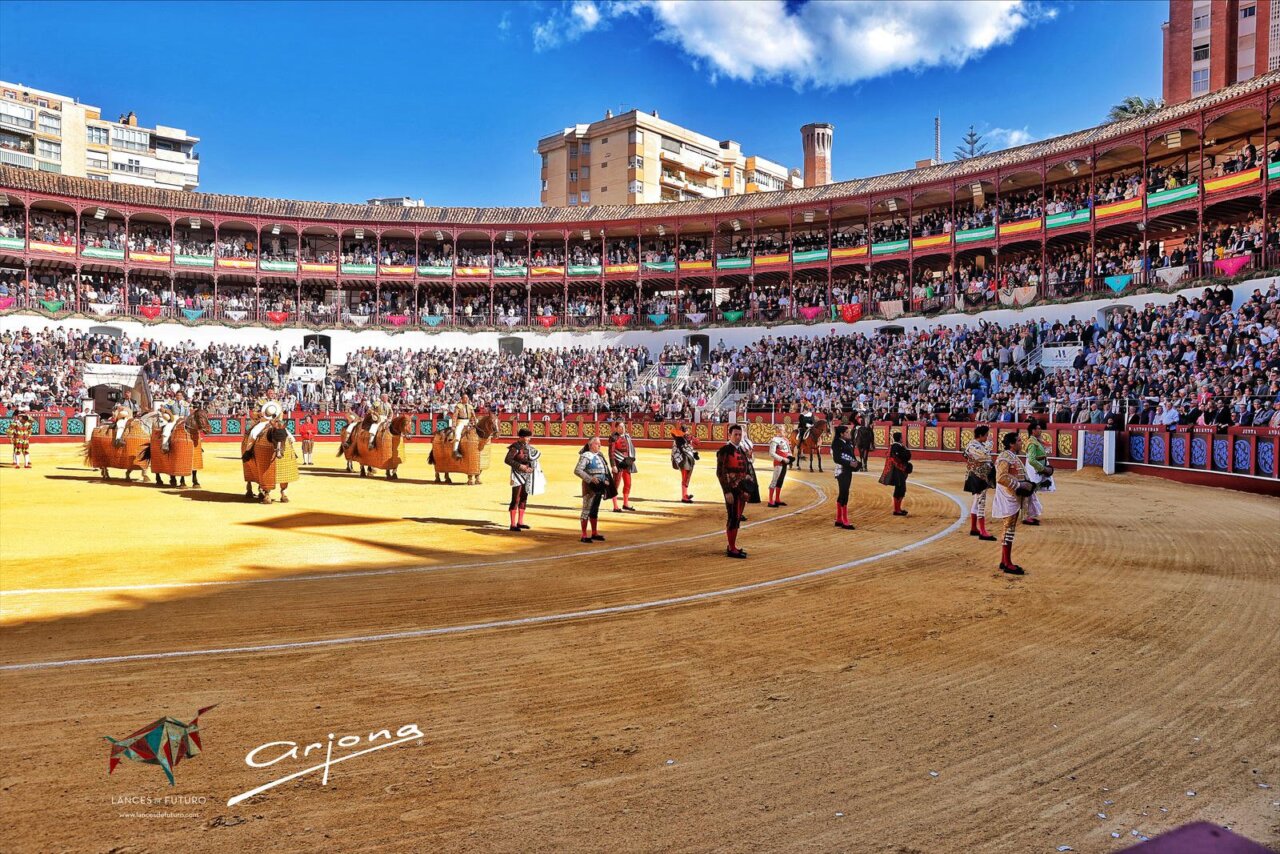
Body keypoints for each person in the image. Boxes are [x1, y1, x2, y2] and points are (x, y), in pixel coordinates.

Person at [991, 431, 1043, 575]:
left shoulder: (1011, 456)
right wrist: (1019, 485)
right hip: (1009, 496)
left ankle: (1004, 561)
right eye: (1019, 441)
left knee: (1009, 528)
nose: (1021, 443)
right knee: (1008, 529)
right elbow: (1001, 477)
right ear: (1012, 444)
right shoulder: (1005, 457)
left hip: (1012, 496)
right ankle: (1007, 563)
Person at [716, 424, 752, 559]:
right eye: (735, 434)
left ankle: (733, 546)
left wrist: (748, 488)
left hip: (741, 489)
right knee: (733, 517)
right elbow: (720, 472)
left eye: (739, 434)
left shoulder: (742, 450)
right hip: (731, 489)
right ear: (729, 435)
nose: (738, 437)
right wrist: (727, 491)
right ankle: (731, 548)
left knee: (737, 517)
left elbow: (746, 470)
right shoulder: (724, 450)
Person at [574, 436, 611, 544]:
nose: (599, 445)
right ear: (590, 445)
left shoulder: (600, 456)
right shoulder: (586, 456)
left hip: (600, 486)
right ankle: (584, 534)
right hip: (589, 487)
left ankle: (594, 533)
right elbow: (577, 470)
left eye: (599, 443)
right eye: (597, 443)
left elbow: (605, 471)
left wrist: (606, 482)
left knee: (595, 509)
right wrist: (590, 479)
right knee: (586, 510)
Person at [963, 425, 997, 541]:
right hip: (978, 476)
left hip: (980, 475)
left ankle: (974, 528)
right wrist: (989, 445)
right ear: (981, 435)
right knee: (981, 502)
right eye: (986, 435)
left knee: (977, 501)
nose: (988, 437)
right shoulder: (973, 446)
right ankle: (982, 531)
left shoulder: (977, 445)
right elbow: (984, 456)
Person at [504, 427, 537, 531]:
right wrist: (520, 466)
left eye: (529, 437)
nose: (529, 439)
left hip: (527, 474)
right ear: (521, 437)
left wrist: (531, 467)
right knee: (516, 498)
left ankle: (520, 522)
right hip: (517, 474)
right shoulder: (515, 447)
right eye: (527, 437)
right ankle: (512, 524)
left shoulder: (528, 447)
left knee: (524, 497)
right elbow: (507, 460)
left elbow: (530, 459)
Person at [830, 424, 860, 530]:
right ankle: (845, 521)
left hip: (847, 470)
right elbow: (837, 459)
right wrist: (850, 464)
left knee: (843, 493)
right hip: (841, 471)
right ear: (841, 434)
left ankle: (839, 519)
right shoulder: (836, 443)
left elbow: (851, 456)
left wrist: (855, 463)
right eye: (846, 432)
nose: (849, 434)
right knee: (844, 493)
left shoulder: (847, 442)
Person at [1022, 420, 1052, 525]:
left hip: (1035, 470)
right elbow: (1031, 460)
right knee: (1029, 492)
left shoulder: (1037, 441)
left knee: (1031, 493)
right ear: (1033, 431)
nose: (1040, 430)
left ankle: (1028, 515)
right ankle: (1026, 516)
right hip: (1033, 471)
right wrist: (1042, 469)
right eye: (1038, 428)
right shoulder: (1032, 442)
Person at [879, 430, 912, 516]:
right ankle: (897, 510)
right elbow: (903, 457)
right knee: (900, 489)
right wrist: (906, 451)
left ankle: (898, 509)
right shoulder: (897, 447)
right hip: (898, 470)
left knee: (900, 489)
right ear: (900, 438)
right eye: (902, 437)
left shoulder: (894, 446)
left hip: (896, 470)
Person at [608, 420, 638, 512]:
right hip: (618, 463)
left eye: (623, 427)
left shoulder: (627, 436)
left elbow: (630, 449)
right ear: (616, 428)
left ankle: (625, 504)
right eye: (620, 427)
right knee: (616, 484)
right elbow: (611, 453)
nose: (622, 428)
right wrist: (613, 465)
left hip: (627, 462)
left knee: (628, 484)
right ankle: (615, 506)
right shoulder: (613, 438)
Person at [766, 424, 794, 508]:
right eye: (782, 429)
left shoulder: (785, 440)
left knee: (780, 481)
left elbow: (789, 451)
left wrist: (789, 457)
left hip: (785, 463)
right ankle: (770, 501)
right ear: (777, 430)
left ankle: (777, 499)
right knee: (774, 481)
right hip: (779, 463)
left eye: (783, 429)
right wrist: (782, 459)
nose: (784, 431)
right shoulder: (774, 440)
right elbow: (771, 453)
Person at [670, 426, 698, 503]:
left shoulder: (685, 438)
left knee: (687, 477)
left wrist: (694, 453)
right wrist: (687, 437)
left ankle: (685, 494)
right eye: (686, 431)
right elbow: (674, 433)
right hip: (683, 460)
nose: (687, 432)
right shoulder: (678, 438)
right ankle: (684, 497)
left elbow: (695, 444)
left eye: (687, 431)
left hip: (688, 459)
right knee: (685, 477)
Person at [452, 392, 476, 458]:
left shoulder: (470, 407)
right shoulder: (458, 406)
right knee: (457, 434)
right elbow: (454, 416)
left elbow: (473, 416)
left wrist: (474, 422)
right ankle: (455, 450)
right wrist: (454, 425)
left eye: (467, 398)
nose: (466, 399)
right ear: (461, 399)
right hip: (460, 422)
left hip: (468, 422)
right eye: (464, 398)